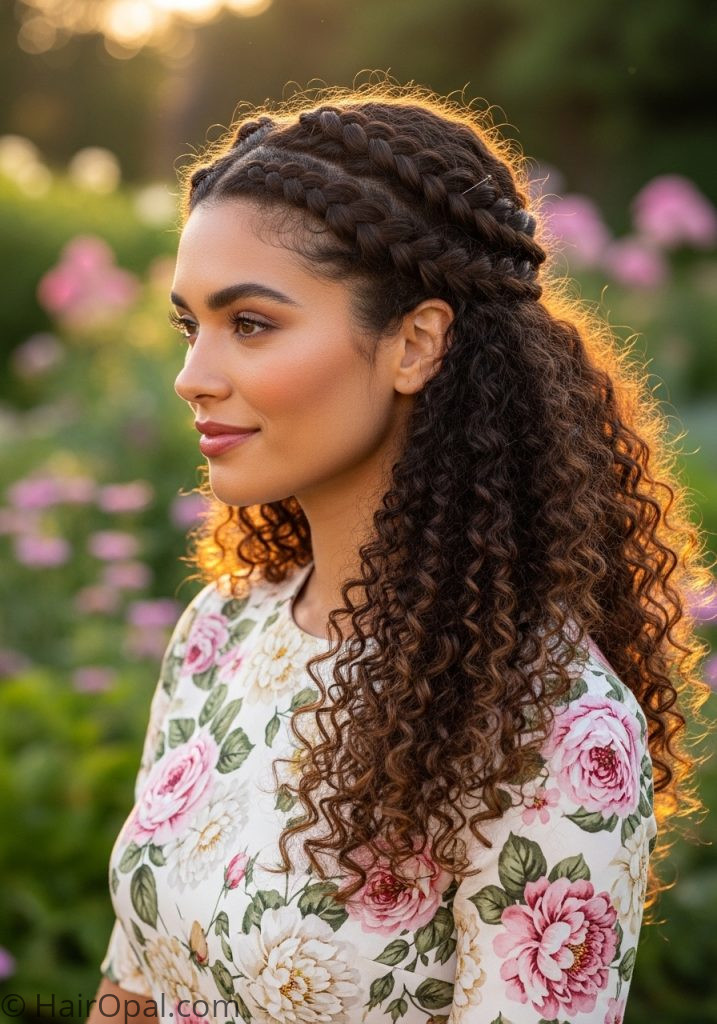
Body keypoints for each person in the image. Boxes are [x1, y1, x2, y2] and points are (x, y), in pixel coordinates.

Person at [87, 83, 713, 1024]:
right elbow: (132, 987)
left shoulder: (551, 728)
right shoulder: (220, 632)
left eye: (249, 323)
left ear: (416, 343)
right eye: (190, 325)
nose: (191, 376)